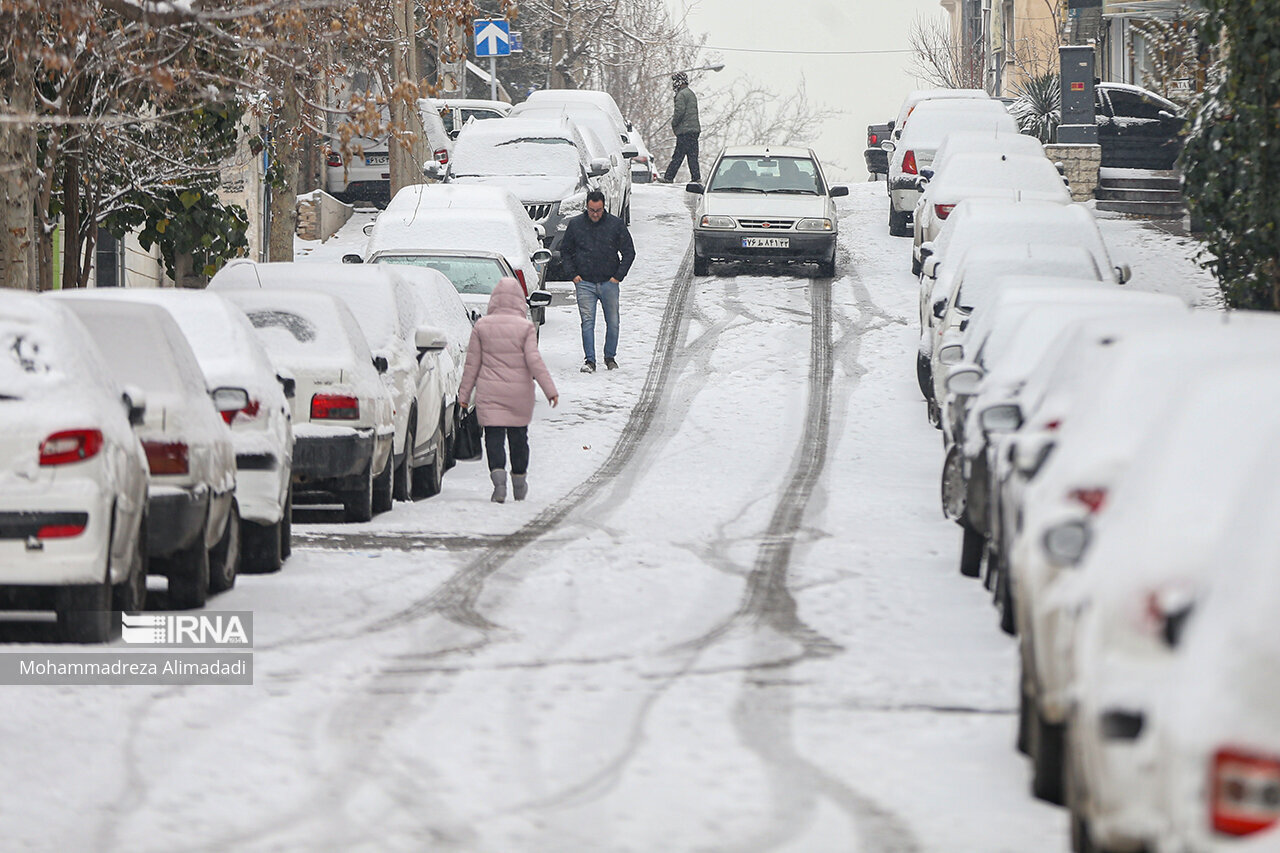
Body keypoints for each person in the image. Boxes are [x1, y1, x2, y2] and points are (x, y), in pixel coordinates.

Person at [457, 277, 559, 503]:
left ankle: (499, 484)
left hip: (489, 392)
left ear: (495, 300)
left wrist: (464, 396)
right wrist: (550, 390)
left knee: (493, 437)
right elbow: (535, 361)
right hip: (518, 394)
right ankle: (519, 481)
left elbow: (472, 365)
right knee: (518, 437)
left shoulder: (482, 327)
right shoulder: (525, 328)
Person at [558, 189, 636, 373]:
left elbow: (629, 252)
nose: (595, 214)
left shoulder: (615, 225)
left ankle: (610, 357)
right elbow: (565, 251)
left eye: (598, 210)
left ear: (604, 208)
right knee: (587, 322)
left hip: (609, 282)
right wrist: (573, 275)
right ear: (586, 207)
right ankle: (590, 360)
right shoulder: (576, 225)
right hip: (584, 282)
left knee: (613, 322)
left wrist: (618, 277)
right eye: (592, 210)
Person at [662, 71, 701, 184]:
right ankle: (696, 177)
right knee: (692, 155)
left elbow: (679, 111)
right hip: (694, 130)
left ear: (678, 82)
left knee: (678, 155)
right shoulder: (691, 93)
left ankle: (669, 177)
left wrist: (674, 123)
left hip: (685, 130)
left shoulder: (681, 95)